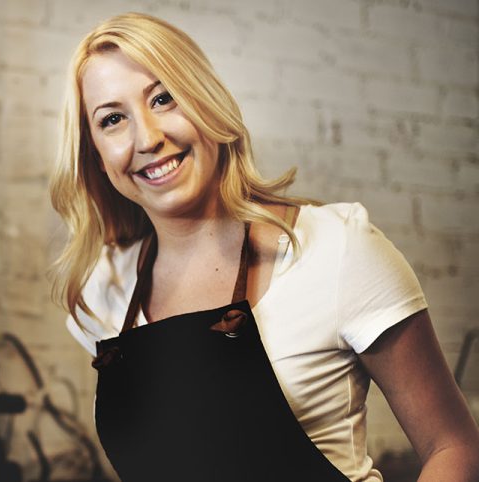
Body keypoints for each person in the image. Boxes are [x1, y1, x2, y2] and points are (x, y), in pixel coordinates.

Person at [49, 12, 479, 482]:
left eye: (164, 98)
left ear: (205, 100)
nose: (148, 138)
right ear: (95, 154)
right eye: (112, 119)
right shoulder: (104, 289)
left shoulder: (335, 249)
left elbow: (453, 446)